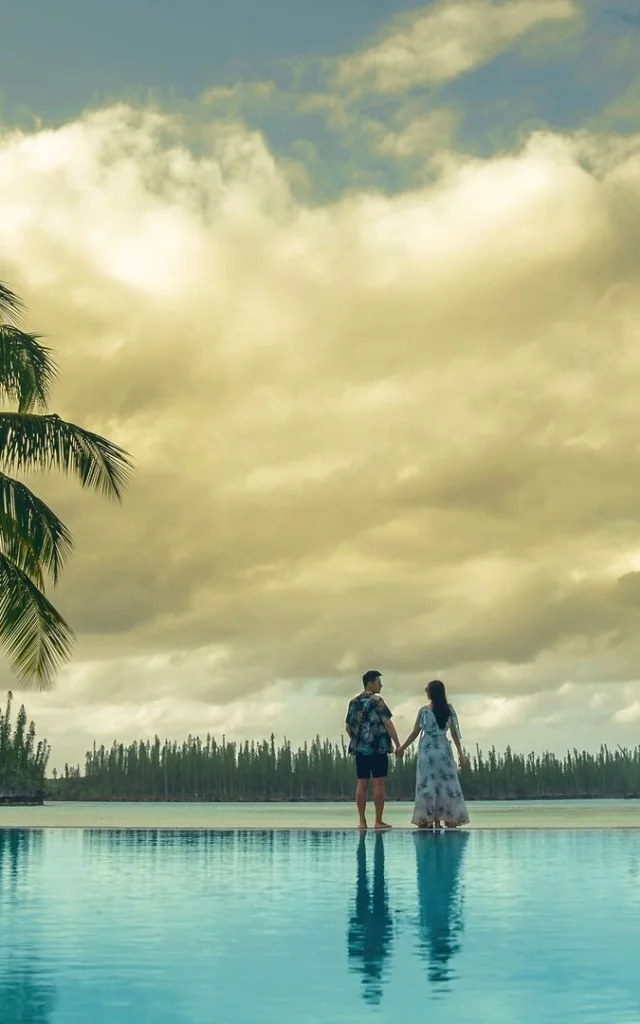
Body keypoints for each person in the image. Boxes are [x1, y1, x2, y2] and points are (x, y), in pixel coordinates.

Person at [396, 679, 469, 829]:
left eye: (427, 689)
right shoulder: (448, 710)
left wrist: (402, 748)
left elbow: (415, 733)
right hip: (443, 751)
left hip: (428, 751)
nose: (425, 691)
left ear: (432, 692)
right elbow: (455, 734)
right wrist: (461, 753)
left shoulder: (424, 711)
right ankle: (449, 818)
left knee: (427, 785)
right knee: (446, 784)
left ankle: (428, 819)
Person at [345, 670, 402, 830]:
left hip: (361, 749)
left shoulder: (353, 702)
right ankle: (378, 821)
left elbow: (348, 726)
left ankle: (362, 821)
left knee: (361, 783)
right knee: (379, 783)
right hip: (378, 747)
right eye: (379, 682)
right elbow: (388, 723)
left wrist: (357, 739)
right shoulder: (377, 701)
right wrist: (397, 744)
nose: (381, 685)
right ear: (370, 683)